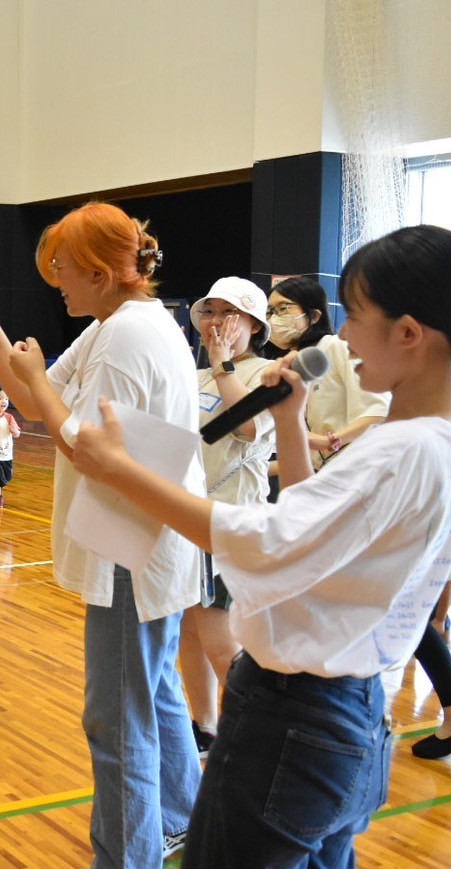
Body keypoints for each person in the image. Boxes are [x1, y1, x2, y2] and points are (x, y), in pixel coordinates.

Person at [48, 225, 451, 869]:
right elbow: (306, 528)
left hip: (292, 724)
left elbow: (263, 542)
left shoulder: (395, 450)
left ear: (409, 333)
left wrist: (121, 471)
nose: (341, 339)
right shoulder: (442, 442)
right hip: (346, 721)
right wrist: (290, 426)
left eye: (356, 319)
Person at [0, 201, 203, 869]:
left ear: (99, 271)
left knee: (116, 708)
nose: (55, 285)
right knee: (152, 691)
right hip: (144, 537)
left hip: (134, 543)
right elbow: (37, 401)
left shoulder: (126, 338)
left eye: (61, 272)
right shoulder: (115, 326)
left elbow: (88, 449)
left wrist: (29, 370)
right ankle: (185, 817)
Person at [183, 277, 276, 755]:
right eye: (209, 311)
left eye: (227, 313)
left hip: (232, 523)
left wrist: (223, 366)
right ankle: (205, 727)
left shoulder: (270, 373)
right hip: (188, 517)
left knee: (220, 637)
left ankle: (255, 738)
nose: (214, 322)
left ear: (254, 324)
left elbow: (248, 427)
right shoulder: (193, 375)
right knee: (188, 631)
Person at [266, 276, 390, 471]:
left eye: (284, 308)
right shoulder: (285, 366)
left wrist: (329, 441)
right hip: (322, 475)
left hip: (359, 469)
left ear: (314, 316)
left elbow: (378, 413)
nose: (274, 318)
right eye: (270, 311)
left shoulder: (336, 346)